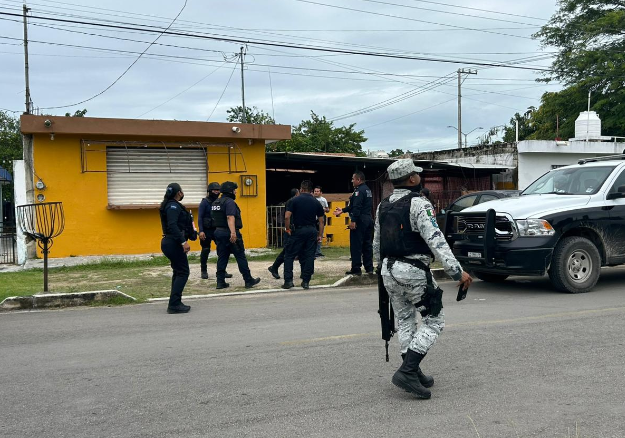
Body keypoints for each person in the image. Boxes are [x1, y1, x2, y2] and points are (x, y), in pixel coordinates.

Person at [373, 158, 472, 399]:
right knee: (435, 321)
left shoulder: (383, 205)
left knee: (406, 320)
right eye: (417, 174)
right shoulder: (419, 204)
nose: (420, 177)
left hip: (388, 270)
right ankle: (407, 370)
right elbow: (436, 240)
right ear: (412, 179)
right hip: (413, 271)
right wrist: (457, 272)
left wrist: (380, 268)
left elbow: (377, 243)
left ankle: (413, 370)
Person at [211, 181, 261, 289]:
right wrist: (233, 233)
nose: (235, 192)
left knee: (222, 257)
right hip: (230, 233)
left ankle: (220, 282)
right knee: (240, 256)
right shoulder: (229, 202)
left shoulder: (216, 202)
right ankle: (248, 280)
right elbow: (230, 217)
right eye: (234, 190)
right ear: (230, 191)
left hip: (219, 232)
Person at [159, 182, 198, 314]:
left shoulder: (171, 205)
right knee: (183, 272)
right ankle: (174, 304)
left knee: (178, 272)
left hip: (171, 242)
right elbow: (172, 225)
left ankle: (175, 302)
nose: (182, 193)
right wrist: (183, 242)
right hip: (173, 242)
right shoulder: (172, 206)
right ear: (178, 193)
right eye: (181, 191)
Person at [282, 180, 325, 289]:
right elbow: (321, 221)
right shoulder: (316, 202)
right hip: (311, 231)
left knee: (289, 255)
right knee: (309, 256)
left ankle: (288, 281)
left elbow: (287, 217)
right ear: (311, 190)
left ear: (301, 189)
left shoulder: (294, 200)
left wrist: (287, 229)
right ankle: (306, 281)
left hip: (298, 230)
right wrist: (320, 235)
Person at [333, 170, 374, 275]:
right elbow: (352, 206)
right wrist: (343, 210)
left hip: (360, 220)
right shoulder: (368, 190)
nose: (352, 181)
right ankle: (369, 268)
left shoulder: (358, 191)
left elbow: (356, 207)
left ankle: (356, 268)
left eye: (353, 179)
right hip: (368, 219)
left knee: (356, 245)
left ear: (358, 180)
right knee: (367, 245)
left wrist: (353, 221)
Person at [198, 182, 232, 280]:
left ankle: (222, 270)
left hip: (217, 229)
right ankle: (203, 270)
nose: (217, 192)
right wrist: (201, 231)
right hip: (207, 230)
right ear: (210, 191)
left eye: (218, 190)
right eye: (215, 190)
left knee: (222, 250)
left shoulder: (220, 201)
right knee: (205, 250)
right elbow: (200, 217)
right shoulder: (205, 202)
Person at [268, 188, 299, 279]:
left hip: (293, 228)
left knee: (288, 250)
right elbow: (287, 217)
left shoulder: (291, 201)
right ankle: (274, 267)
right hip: (290, 229)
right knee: (287, 251)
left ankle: (274, 267)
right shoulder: (292, 202)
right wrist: (288, 228)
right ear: (297, 193)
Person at [313, 186, 330, 258]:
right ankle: (312, 251)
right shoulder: (312, 199)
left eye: (317, 191)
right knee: (313, 234)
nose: (316, 192)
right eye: (315, 191)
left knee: (320, 234)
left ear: (321, 192)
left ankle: (318, 251)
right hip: (313, 219)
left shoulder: (323, 200)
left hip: (321, 219)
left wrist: (323, 209)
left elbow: (328, 209)